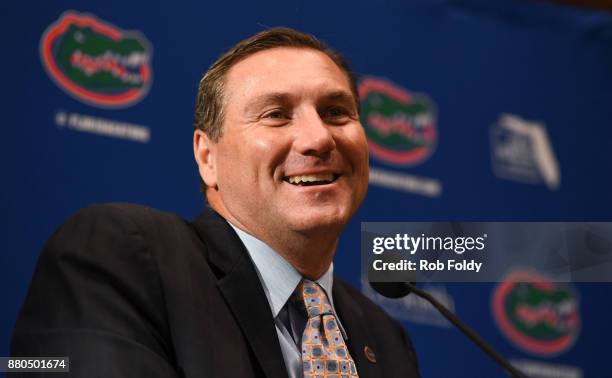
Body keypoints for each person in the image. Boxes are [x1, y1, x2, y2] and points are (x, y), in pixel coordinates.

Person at [11, 28, 420, 377]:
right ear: (208, 157)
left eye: (336, 112)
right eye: (276, 114)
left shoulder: (385, 337)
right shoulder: (120, 256)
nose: (318, 138)